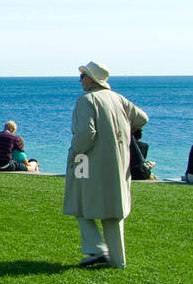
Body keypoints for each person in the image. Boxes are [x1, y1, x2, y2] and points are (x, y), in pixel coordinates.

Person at [63, 61, 148, 269]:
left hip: (88, 162)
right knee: (113, 210)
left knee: (79, 202)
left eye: (83, 76)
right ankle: (118, 260)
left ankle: (97, 249)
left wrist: (75, 151)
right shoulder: (118, 99)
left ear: (92, 78)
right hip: (118, 163)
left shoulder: (86, 100)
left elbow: (85, 134)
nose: (80, 80)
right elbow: (142, 118)